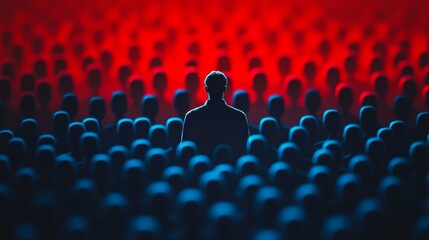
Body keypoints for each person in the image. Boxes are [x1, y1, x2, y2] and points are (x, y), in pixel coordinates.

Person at [181, 71, 249, 157]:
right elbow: (244, 151)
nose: (216, 89)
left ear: (206, 89)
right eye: (214, 86)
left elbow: (186, 152)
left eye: (217, 86)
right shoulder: (238, 116)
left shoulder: (192, 116)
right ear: (224, 89)